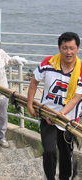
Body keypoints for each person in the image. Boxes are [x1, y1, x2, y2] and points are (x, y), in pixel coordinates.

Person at [27, 32, 82, 180]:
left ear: (78, 49)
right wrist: (30, 105)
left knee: (66, 154)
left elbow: (76, 98)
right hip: (47, 115)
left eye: (72, 48)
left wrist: (59, 115)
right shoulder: (48, 63)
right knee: (49, 150)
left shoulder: (81, 71)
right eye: (65, 48)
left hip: (68, 119)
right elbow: (33, 83)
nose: (68, 52)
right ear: (59, 48)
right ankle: (49, 177)